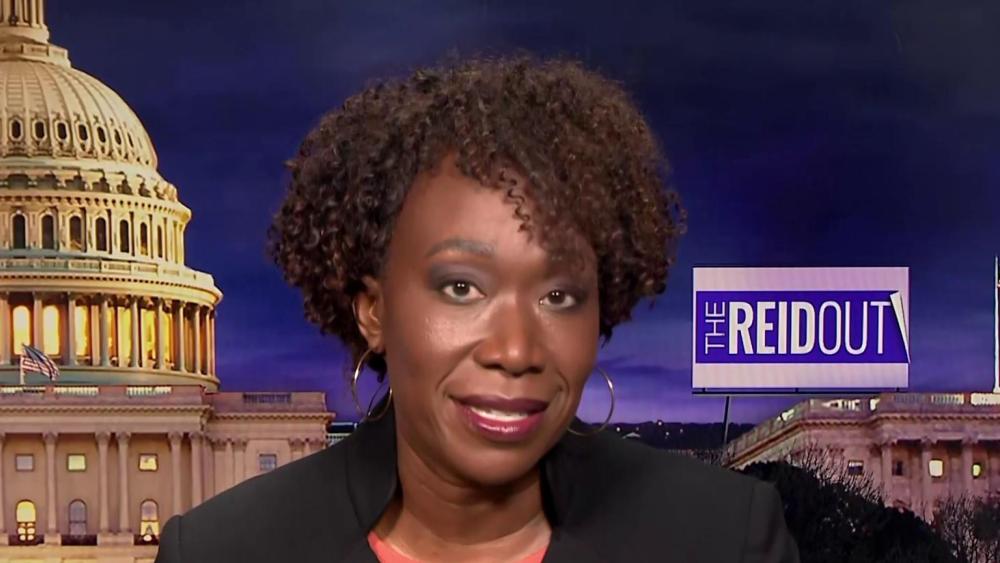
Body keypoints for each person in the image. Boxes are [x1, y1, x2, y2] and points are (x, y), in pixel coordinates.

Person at [155, 55, 799, 563]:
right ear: (373, 310)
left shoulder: (724, 538)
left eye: (558, 296)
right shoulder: (223, 552)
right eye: (462, 288)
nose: (515, 350)